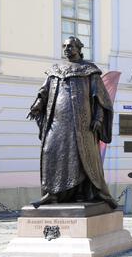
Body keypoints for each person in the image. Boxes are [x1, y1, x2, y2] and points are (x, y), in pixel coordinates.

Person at [28, 36, 118, 209]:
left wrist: (98, 118)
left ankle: (83, 193)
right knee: (50, 151)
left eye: (70, 46)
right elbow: (44, 91)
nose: (67, 49)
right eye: (65, 46)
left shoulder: (89, 70)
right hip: (57, 122)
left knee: (81, 157)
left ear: (78, 48)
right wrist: (38, 104)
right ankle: (51, 193)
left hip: (82, 124)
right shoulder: (55, 70)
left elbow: (100, 98)